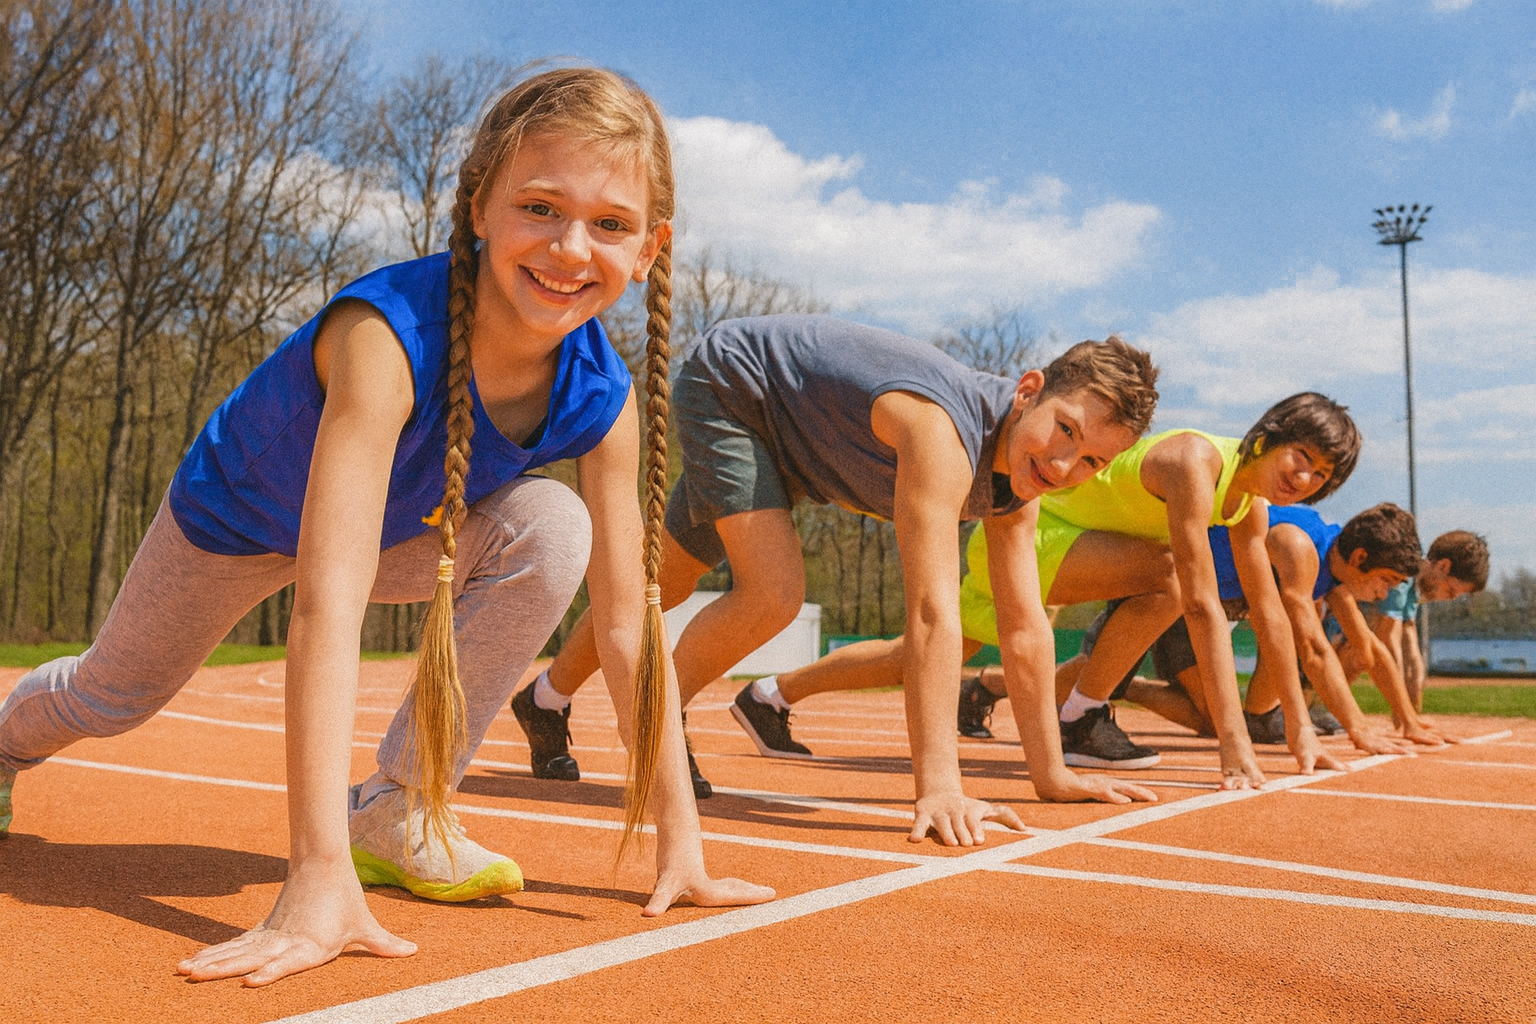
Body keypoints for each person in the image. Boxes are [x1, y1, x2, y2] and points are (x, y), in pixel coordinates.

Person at [0, 68, 769, 987]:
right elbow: (330, 605)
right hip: (236, 520)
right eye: (539, 207)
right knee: (109, 701)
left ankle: (399, 808)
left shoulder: (603, 396)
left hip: (409, 532)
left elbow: (624, 633)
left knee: (551, 528)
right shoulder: (385, 334)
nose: (571, 247)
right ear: (480, 205)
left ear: (650, 248)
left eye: (610, 223)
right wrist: (312, 878)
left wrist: (679, 845)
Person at [512, 318, 1163, 846]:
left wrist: (1050, 774)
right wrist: (939, 785)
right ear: (1028, 391)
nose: (1062, 463)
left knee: (661, 585)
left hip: (795, 449)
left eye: (1091, 461)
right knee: (773, 593)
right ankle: (657, 722)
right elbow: (933, 615)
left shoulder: (1018, 482)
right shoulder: (943, 434)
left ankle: (543, 700)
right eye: (1066, 429)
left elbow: (1023, 627)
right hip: (737, 390)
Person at [954, 394, 1359, 788]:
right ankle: (1079, 716)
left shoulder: (1248, 510)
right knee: (1174, 576)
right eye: (1301, 457)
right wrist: (1234, 744)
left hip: (1068, 553)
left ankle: (1002, 697)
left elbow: (1269, 613)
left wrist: (1299, 726)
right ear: (1266, 437)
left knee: (909, 656)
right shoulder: (1194, 462)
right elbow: (1201, 605)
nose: (1305, 478)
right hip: (1023, 539)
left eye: (1321, 474)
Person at [1056, 504, 1454, 753]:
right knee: (1097, 676)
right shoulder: (1301, 549)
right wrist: (1360, 730)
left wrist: (1407, 719)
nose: (1383, 592)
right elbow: (1312, 649)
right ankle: (997, 684)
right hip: (1165, 583)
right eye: (1385, 580)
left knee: (1211, 717)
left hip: (1198, 605)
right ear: (1361, 556)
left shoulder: (1334, 571)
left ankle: (1005, 686)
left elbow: (1368, 649)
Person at [1342, 530, 1489, 714]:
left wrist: (1414, 713)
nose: (1448, 599)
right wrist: (1405, 718)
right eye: (1450, 591)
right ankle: (1314, 705)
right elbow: (1388, 640)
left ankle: (1317, 705)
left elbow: (1411, 654)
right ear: (1443, 566)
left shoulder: (1413, 589)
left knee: (1363, 650)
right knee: (1362, 653)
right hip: (1318, 620)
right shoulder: (1401, 571)